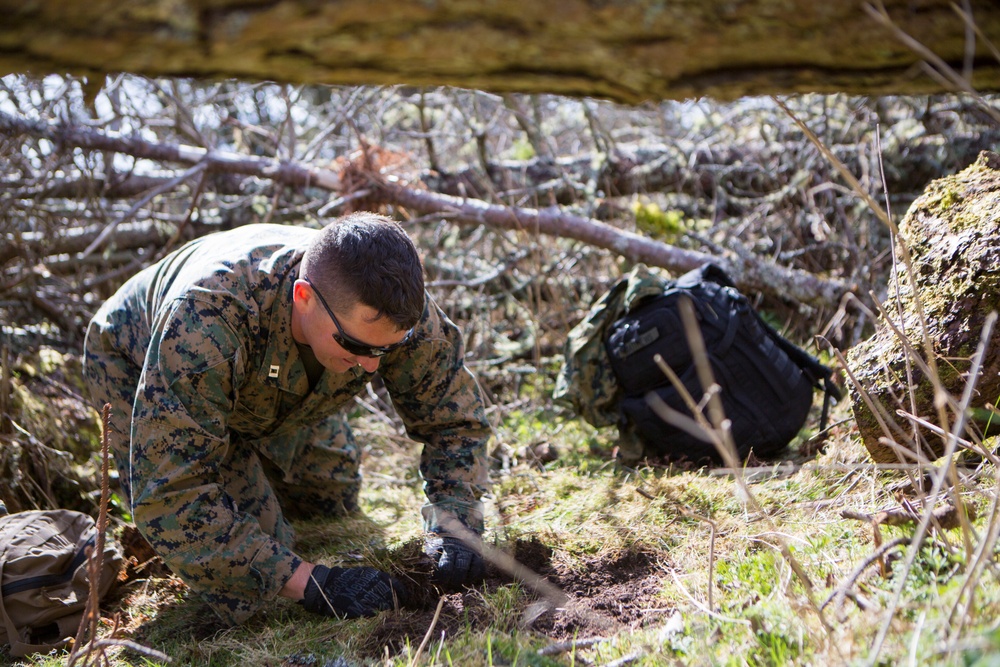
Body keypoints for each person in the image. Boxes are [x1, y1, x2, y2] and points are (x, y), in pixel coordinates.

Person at [82, 213, 491, 624]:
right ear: (304, 298)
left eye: (383, 351)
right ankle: (229, 462)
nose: (369, 369)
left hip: (263, 374)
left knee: (329, 498)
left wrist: (455, 521)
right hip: (136, 358)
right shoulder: (207, 316)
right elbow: (172, 493)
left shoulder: (394, 308)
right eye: (353, 346)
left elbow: (452, 419)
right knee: (261, 571)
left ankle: (258, 459)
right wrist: (315, 584)